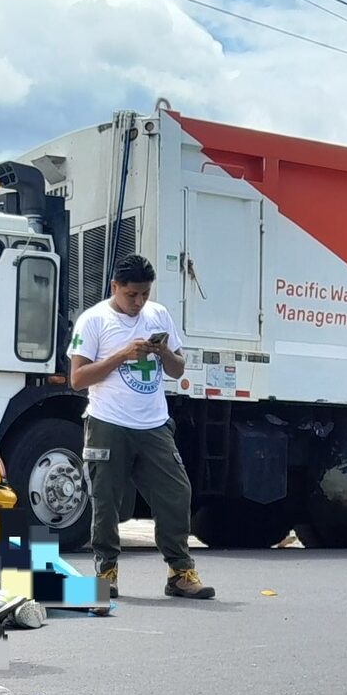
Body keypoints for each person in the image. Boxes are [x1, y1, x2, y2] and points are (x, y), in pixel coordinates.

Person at [67, 255, 212, 600]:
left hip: (154, 424)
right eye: (131, 294)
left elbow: (177, 370)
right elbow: (77, 379)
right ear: (114, 287)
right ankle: (106, 573)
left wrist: (163, 352)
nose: (139, 302)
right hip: (108, 422)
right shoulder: (93, 320)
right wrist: (122, 355)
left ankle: (180, 572)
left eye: (145, 294)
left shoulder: (158, 314)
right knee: (106, 502)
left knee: (177, 493)